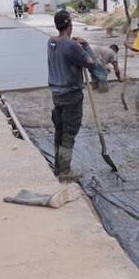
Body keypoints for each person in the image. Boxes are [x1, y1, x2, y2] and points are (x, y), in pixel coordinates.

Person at [47, 10, 96, 182]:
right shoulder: (71, 45)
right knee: (69, 132)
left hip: (56, 94)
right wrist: (86, 46)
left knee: (59, 130)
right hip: (71, 94)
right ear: (70, 25)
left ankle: (58, 166)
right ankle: (65, 171)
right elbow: (91, 63)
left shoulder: (51, 42)